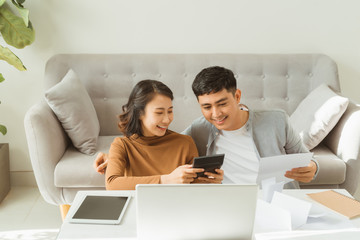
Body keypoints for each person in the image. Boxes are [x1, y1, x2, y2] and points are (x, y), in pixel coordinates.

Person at [95, 67, 317, 188]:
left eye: (222, 104)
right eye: (207, 107)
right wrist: (112, 157)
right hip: (227, 205)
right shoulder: (198, 130)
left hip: (274, 201)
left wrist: (313, 168)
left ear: (237, 96)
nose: (216, 114)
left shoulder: (277, 120)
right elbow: (161, 145)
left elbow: (306, 158)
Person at [104, 79, 224, 190]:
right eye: (159, 112)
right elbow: (112, 184)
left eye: (170, 111)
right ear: (139, 113)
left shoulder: (185, 143)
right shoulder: (122, 145)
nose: (167, 119)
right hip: (141, 207)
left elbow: (193, 185)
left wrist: (211, 181)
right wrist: (165, 180)